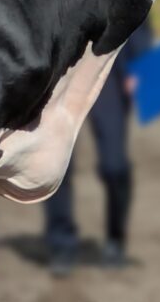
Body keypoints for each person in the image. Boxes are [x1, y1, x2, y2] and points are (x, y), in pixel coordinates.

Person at [44, 19, 152, 275]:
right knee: (57, 165)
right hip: (63, 71)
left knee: (114, 165)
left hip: (110, 67)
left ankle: (116, 238)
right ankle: (61, 244)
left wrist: (143, 65)